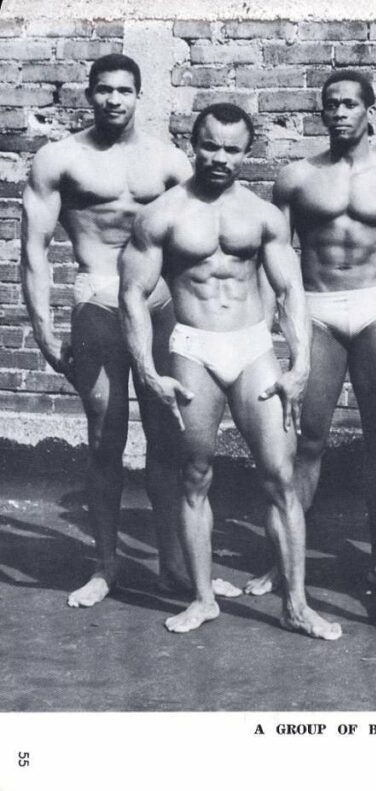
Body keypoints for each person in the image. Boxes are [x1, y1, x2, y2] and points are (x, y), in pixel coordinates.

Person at [20, 54, 238, 606]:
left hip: (158, 303)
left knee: (171, 438)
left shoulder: (166, 161)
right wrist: (44, 330)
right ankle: (105, 566)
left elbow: (201, 240)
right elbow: (34, 252)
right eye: (104, 90)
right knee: (103, 441)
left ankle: (176, 564)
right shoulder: (59, 160)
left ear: (139, 96)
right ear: (88, 94)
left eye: (124, 90)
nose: (114, 100)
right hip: (96, 300)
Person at [120, 103, 341, 640]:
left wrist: (301, 365)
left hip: (251, 349)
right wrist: (148, 372)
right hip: (193, 348)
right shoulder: (161, 215)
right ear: (192, 145)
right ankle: (202, 598)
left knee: (282, 478)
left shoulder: (263, 216)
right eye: (210, 146)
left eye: (232, 148)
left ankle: (296, 604)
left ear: (248, 151)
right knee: (194, 477)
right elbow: (130, 295)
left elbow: (291, 292)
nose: (219, 157)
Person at [246, 69, 376, 594]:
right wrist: (265, 331)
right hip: (317, 308)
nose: (340, 112)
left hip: (375, 306)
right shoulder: (296, 178)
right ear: (321, 112)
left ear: (371, 113)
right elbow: (274, 262)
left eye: (351, 104)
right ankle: (282, 562)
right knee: (307, 441)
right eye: (331, 105)